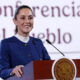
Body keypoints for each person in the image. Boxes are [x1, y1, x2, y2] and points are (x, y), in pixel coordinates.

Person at [0, 5, 50, 79]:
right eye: (23, 18)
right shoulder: (6, 43)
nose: (27, 21)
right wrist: (13, 70)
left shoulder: (38, 43)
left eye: (30, 18)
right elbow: (2, 72)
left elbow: (49, 66)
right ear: (15, 21)